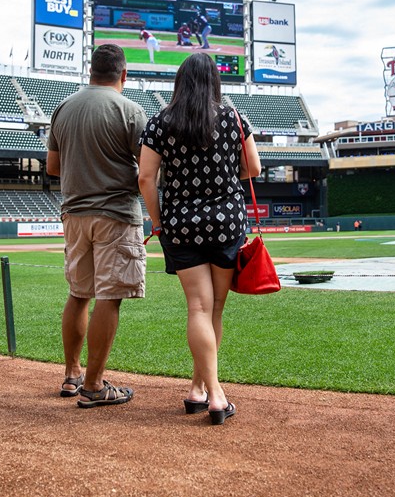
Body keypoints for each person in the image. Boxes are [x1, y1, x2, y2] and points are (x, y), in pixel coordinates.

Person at [138, 52, 262, 425]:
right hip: (226, 222)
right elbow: (254, 168)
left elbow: (145, 178)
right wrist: (223, 173)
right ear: (214, 82)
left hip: (181, 224)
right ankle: (216, 395)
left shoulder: (160, 122)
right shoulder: (234, 117)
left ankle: (199, 389)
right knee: (215, 309)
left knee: (198, 308)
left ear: (180, 81)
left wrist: (157, 222)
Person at [46, 44, 147, 409]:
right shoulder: (130, 110)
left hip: (74, 213)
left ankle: (72, 375)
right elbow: (148, 171)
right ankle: (94, 384)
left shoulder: (64, 107)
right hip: (116, 214)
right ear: (124, 74)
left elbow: (53, 167)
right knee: (109, 296)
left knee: (78, 293)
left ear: (90, 71)